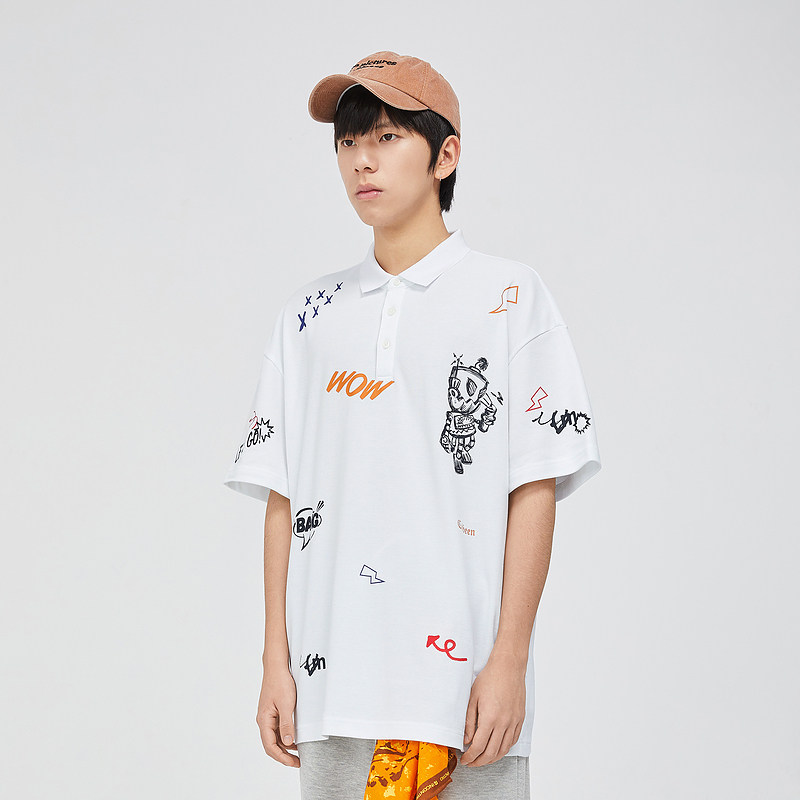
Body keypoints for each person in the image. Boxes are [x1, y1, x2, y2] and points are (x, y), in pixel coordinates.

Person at [223, 50, 602, 800]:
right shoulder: (309, 317)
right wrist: (275, 661)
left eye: (387, 137)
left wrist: (510, 660)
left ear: (445, 156)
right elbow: (282, 496)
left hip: (463, 695)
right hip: (335, 685)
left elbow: (534, 486)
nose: (362, 160)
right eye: (347, 142)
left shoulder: (509, 296)